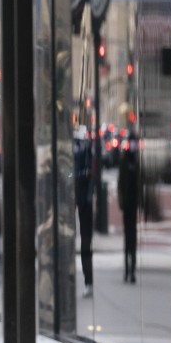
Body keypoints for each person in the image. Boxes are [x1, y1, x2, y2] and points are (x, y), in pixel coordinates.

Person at [73, 127, 94, 296]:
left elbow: (89, 174)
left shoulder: (85, 149)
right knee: (83, 242)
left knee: (85, 243)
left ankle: (88, 281)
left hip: (82, 198)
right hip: (79, 197)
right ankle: (87, 281)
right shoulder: (83, 149)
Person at [118, 130, 140, 284]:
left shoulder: (136, 161)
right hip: (127, 204)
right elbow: (120, 183)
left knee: (133, 238)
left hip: (133, 205)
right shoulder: (125, 161)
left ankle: (132, 270)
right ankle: (127, 270)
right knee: (128, 238)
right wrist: (121, 202)